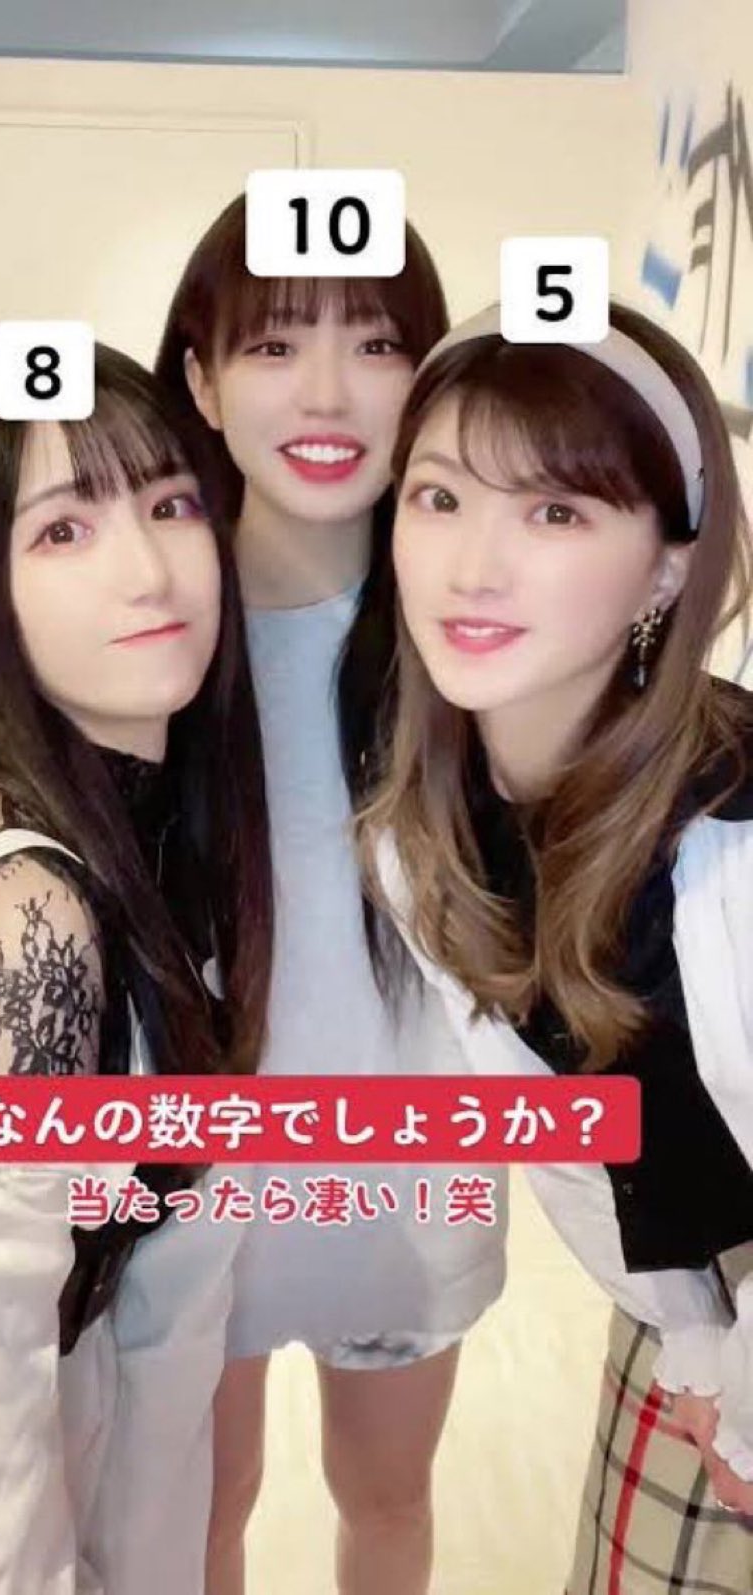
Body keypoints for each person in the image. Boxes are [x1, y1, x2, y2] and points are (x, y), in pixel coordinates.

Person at [0, 344, 273, 1593]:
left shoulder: (137, 819)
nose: (145, 568)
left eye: (168, 504)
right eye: (62, 531)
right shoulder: (23, 909)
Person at [358, 300, 753, 1590]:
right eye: (438, 497)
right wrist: (693, 1338)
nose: (471, 568)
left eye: (553, 512)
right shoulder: (422, 837)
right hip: (684, 1306)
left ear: (665, 570)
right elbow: (582, 1143)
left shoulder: (730, 838)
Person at [154, 195, 507, 1595]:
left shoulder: (469, 625)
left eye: (373, 344)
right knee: (201, 1510)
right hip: (198, 1180)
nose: (324, 394)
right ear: (200, 379)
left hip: (406, 1169)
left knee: (386, 1496)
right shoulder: (152, 624)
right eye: (272, 345)